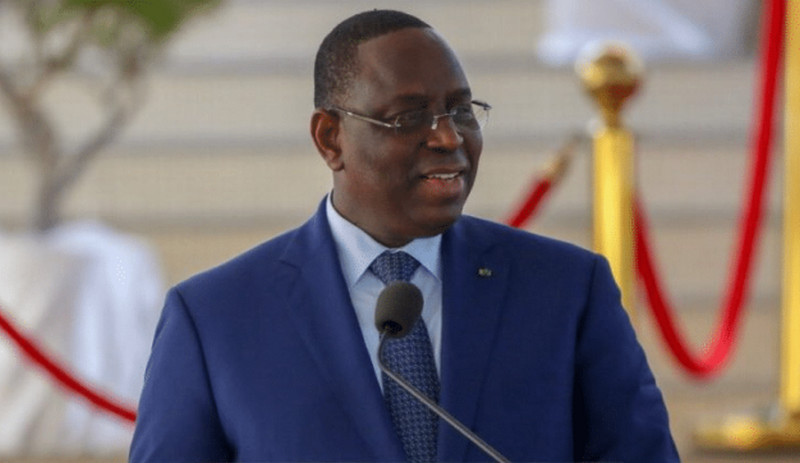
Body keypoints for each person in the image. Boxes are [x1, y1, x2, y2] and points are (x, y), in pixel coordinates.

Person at [130, 9, 679, 462]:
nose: (448, 137)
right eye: (409, 117)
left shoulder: (567, 290)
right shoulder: (214, 319)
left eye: (460, 110)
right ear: (330, 138)